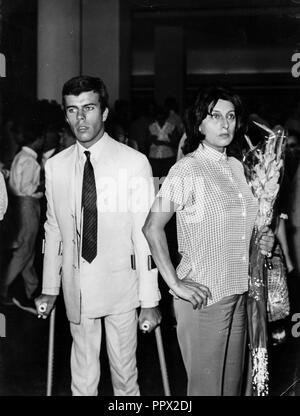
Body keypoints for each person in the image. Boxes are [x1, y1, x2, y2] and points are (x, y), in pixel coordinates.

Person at [142, 86, 274, 396]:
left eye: (230, 116)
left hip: (239, 291)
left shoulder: (238, 168)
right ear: (199, 123)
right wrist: (175, 283)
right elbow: (152, 227)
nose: (225, 124)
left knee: (231, 390)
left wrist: (262, 239)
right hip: (204, 296)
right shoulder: (187, 168)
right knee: (205, 391)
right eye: (215, 116)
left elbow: (246, 227)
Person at [35, 75, 161, 396]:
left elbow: (145, 236)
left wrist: (150, 300)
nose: (81, 118)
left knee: (124, 377)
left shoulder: (134, 163)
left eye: (88, 108)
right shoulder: (56, 166)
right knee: (83, 377)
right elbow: (54, 229)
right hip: (77, 288)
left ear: (104, 112)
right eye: (73, 110)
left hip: (122, 287)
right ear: (65, 115)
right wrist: (49, 287)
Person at [0, 119, 44, 309]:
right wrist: (41, 184)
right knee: (24, 250)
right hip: (27, 205)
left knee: (27, 250)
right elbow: (26, 188)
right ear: (38, 140)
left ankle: (31, 288)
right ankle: (3, 287)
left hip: (22, 204)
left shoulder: (22, 156)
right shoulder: (30, 161)